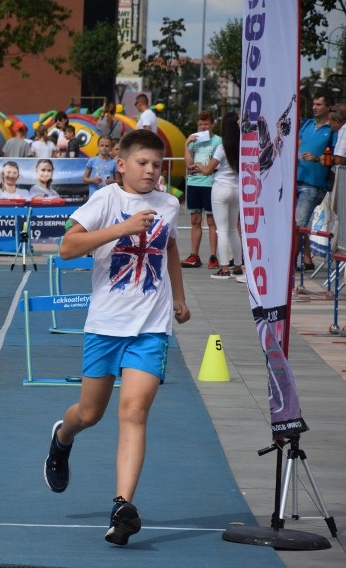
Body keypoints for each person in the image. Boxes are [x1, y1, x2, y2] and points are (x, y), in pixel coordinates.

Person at [45, 129, 190, 547]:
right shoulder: (107, 199)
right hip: (106, 325)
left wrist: (179, 297)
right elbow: (68, 248)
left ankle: (121, 507)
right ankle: (62, 437)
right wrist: (122, 227)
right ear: (122, 164)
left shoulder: (169, 204)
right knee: (90, 414)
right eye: (142, 163)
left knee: (135, 412)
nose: (150, 172)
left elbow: (171, 249)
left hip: (150, 327)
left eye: (157, 165)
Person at [199, 112, 243, 280]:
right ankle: (238, 266)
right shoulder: (243, 146)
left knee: (222, 230)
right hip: (237, 189)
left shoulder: (222, 147)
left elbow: (208, 170)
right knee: (233, 230)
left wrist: (198, 167)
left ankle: (224, 268)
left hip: (220, 188)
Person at [295, 93, 334, 271]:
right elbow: (298, 143)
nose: (314, 107)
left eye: (319, 104)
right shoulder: (308, 124)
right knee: (296, 225)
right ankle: (307, 259)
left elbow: (335, 158)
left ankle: (289, 263)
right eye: (313, 104)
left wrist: (317, 158)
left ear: (328, 107)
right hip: (296, 179)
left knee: (298, 224)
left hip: (312, 184)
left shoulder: (333, 130)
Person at [181, 110, 221, 269]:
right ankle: (194, 255)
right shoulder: (193, 140)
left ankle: (213, 256)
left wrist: (204, 169)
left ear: (212, 124)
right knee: (195, 220)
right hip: (194, 183)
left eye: (206, 124)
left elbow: (213, 165)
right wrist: (186, 144)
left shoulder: (218, 141)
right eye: (200, 124)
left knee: (211, 221)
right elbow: (188, 164)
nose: (203, 127)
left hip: (210, 183)